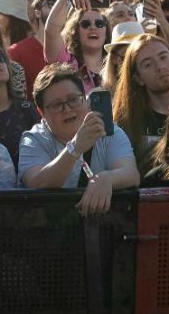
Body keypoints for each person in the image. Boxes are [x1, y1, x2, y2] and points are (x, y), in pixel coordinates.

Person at [18, 63, 140, 216]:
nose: (67, 109)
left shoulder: (108, 131)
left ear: (85, 99)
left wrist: (106, 179)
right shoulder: (33, 140)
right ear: (41, 112)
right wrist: (75, 148)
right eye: (56, 105)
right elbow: (37, 183)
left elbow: (131, 173)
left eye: (73, 99)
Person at [111, 32, 169, 157]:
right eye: (148, 64)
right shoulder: (125, 123)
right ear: (138, 78)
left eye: (163, 57)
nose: (160, 66)